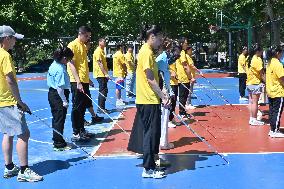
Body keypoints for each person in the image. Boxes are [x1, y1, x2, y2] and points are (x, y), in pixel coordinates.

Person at [0, 25, 43, 182]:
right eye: (14, 39)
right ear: (6, 39)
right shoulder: (4, 55)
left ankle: (9, 167)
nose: (15, 42)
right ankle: (24, 170)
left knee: (8, 133)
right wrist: (20, 102)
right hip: (9, 100)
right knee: (24, 134)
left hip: (1, 101)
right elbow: (10, 79)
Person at [128, 25, 170, 179]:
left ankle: (153, 162)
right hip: (148, 100)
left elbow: (156, 77)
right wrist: (163, 96)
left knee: (154, 133)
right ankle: (148, 169)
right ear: (152, 36)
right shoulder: (145, 52)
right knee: (150, 135)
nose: (161, 42)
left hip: (152, 99)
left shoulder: (149, 53)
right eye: (159, 38)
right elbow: (150, 78)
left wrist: (162, 92)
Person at [67, 26, 95, 142]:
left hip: (83, 80)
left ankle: (82, 129)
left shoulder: (83, 46)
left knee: (83, 106)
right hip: (76, 81)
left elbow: (83, 65)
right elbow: (71, 64)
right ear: (81, 34)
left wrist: (88, 79)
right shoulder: (72, 45)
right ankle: (76, 132)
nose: (88, 38)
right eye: (87, 36)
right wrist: (78, 81)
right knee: (77, 107)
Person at [47, 46, 73, 151]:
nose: (68, 62)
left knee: (56, 118)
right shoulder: (60, 69)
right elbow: (60, 88)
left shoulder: (54, 64)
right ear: (64, 58)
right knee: (59, 119)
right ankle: (59, 143)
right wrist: (64, 100)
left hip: (52, 93)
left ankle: (57, 139)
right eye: (68, 59)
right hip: (58, 95)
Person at [156, 38, 176, 150]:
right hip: (163, 92)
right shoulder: (162, 58)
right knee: (164, 117)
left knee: (164, 117)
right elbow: (160, 75)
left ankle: (163, 141)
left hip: (164, 90)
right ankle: (163, 143)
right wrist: (165, 93)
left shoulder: (163, 58)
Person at [83, 40, 104, 126]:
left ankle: (94, 116)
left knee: (88, 100)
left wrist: (88, 80)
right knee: (81, 103)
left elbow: (83, 70)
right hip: (79, 82)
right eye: (89, 44)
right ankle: (81, 120)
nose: (90, 46)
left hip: (85, 80)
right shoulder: (80, 52)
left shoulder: (85, 53)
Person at [266, 46, 284, 137]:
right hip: (278, 91)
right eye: (281, 53)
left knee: (272, 111)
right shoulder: (278, 64)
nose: (282, 54)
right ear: (277, 53)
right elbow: (282, 78)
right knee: (277, 112)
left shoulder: (269, 63)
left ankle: (272, 129)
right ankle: (275, 130)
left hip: (270, 91)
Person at [246, 44, 265, 126]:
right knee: (255, 102)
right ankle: (254, 119)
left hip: (249, 82)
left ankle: (251, 118)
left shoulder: (249, 58)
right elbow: (261, 73)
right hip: (256, 82)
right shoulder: (257, 60)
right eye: (261, 51)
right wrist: (266, 82)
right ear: (257, 51)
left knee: (251, 101)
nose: (262, 52)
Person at [176, 37, 192, 118]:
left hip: (182, 77)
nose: (187, 45)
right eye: (186, 43)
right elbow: (185, 66)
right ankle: (181, 112)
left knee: (184, 96)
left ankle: (183, 111)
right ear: (181, 44)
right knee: (183, 96)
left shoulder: (180, 52)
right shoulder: (182, 52)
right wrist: (190, 77)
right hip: (183, 77)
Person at [93, 38, 110, 113]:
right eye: (104, 41)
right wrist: (105, 74)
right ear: (99, 42)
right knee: (103, 91)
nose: (105, 42)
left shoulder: (102, 51)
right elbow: (100, 63)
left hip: (102, 74)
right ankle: (100, 108)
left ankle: (102, 107)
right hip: (100, 74)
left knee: (104, 90)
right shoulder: (98, 51)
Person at [185, 45, 203, 110]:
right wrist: (198, 71)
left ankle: (189, 103)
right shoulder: (187, 56)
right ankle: (187, 104)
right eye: (191, 50)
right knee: (189, 91)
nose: (192, 51)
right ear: (188, 50)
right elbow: (191, 66)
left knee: (190, 90)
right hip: (190, 76)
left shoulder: (189, 57)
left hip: (192, 75)